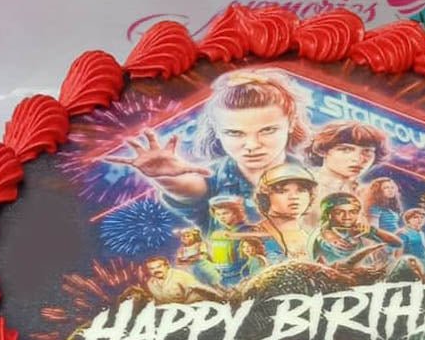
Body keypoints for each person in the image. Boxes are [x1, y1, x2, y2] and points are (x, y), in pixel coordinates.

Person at [108, 69, 309, 226]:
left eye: (268, 130)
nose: (252, 145)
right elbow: (191, 190)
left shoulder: (315, 175)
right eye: (235, 133)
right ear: (217, 131)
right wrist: (164, 176)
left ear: (291, 123)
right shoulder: (213, 181)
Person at [310, 193, 401, 280]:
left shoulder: (358, 229)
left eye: (353, 212)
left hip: (364, 277)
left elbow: (397, 243)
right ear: (328, 214)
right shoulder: (322, 235)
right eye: (339, 212)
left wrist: (372, 230)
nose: (347, 216)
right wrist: (326, 233)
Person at [249, 163, 317, 262]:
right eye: (282, 191)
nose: (294, 197)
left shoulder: (311, 238)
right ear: (265, 198)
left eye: (301, 191)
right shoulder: (253, 235)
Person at [306, 121, 388, 198]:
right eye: (346, 150)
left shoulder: (367, 195)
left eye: (367, 151)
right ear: (323, 151)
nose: (358, 159)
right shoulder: (304, 181)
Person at [205, 194, 254, 287]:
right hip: (223, 278)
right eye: (218, 214)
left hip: (242, 277)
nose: (221, 217)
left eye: (225, 213)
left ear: (236, 213)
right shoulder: (218, 233)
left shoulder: (247, 230)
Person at [142, 255, 216, 303]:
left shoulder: (180, 276)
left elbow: (201, 287)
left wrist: (219, 298)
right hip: (173, 312)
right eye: (152, 269)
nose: (156, 270)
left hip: (196, 307)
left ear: (167, 266)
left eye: (159, 267)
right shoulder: (151, 283)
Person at [398, 208, 425, 277]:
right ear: (408, 220)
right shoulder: (404, 232)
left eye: (422, 217)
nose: (420, 220)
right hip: (412, 265)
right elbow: (399, 253)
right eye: (415, 217)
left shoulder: (421, 233)